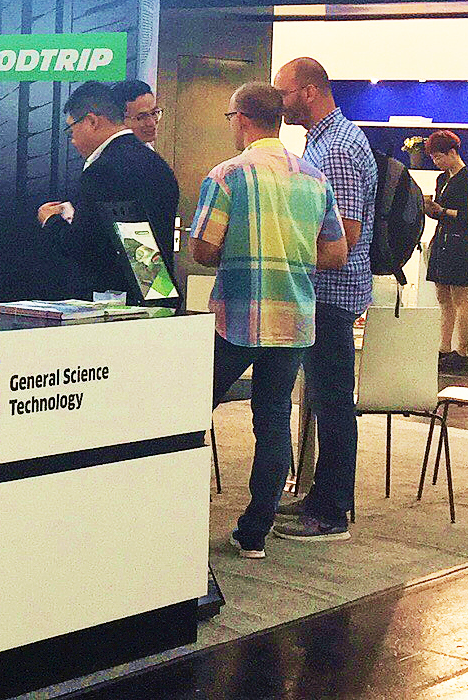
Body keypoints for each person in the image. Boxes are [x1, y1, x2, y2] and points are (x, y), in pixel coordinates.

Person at [191, 83, 348, 560]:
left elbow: (202, 250)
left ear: (241, 118)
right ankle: (254, 533)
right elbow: (336, 253)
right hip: (294, 319)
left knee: (189, 412)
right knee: (274, 419)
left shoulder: (226, 175)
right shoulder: (314, 178)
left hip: (236, 318)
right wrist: (290, 254)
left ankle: (173, 519)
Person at [270, 56, 375, 544]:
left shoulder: (336, 149)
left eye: (284, 92)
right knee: (326, 401)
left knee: (333, 404)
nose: (280, 102)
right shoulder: (323, 141)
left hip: (331, 295)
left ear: (309, 92)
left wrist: (286, 252)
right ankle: (321, 499)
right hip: (326, 293)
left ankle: (331, 513)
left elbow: (344, 238)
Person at [38, 81, 180, 297]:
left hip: (114, 300)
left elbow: (84, 245)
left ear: (91, 121)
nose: (73, 140)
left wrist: (51, 220)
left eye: (71, 129)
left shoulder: (101, 170)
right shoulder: (157, 164)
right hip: (157, 291)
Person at [422, 130, 468, 371]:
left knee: (460, 298)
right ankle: (444, 347)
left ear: (452, 153)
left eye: (439, 157)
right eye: (433, 158)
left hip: (459, 242)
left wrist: (443, 211)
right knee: (443, 297)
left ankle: (462, 351)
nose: (437, 162)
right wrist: (430, 208)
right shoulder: (442, 179)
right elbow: (440, 212)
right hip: (442, 239)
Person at [113, 79, 162, 147]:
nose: (151, 123)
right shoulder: (114, 152)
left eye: (154, 113)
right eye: (141, 117)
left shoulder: (147, 149)